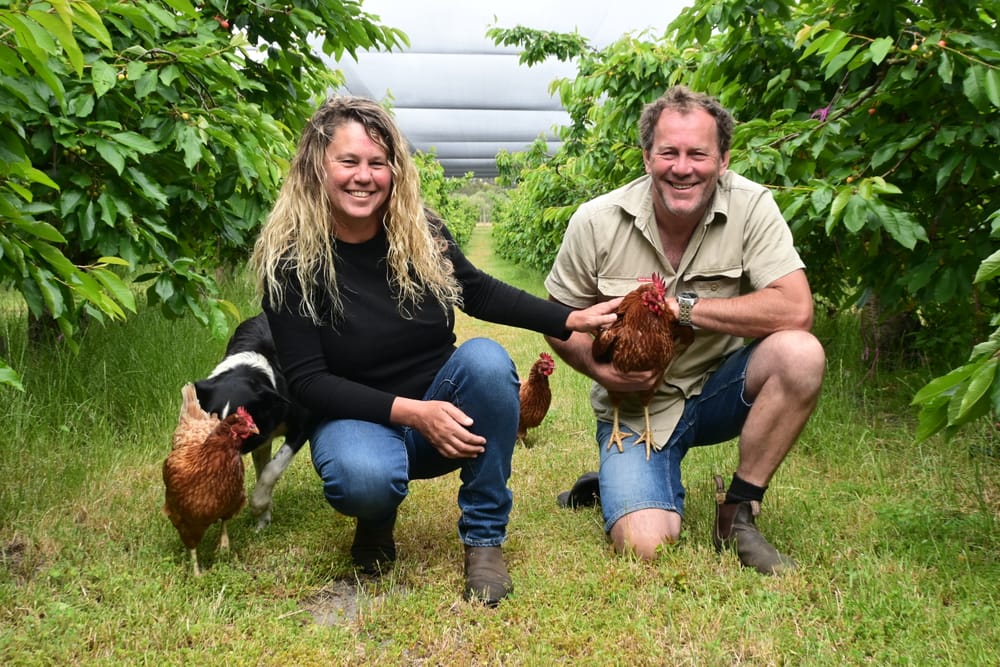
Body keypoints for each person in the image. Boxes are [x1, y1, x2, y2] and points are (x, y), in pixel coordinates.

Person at [251, 96, 619, 606]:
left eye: (378, 163)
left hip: (438, 400)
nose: (364, 176)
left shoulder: (419, 233)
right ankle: (376, 519)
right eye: (349, 161)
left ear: (395, 171)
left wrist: (570, 317)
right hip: (355, 415)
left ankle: (484, 540)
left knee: (489, 362)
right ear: (318, 166)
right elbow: (309, 383)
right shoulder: (290, 263)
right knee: (363, 478)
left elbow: (479, 292)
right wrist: (413, 413)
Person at [544, 85, 825, 574]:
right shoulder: (597, 220)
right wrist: (601, 370)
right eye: (668, 152)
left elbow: (796, 309)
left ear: (723, 159)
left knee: (800, 353)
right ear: (647, 156)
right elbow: (556, 317)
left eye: (699, 153)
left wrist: (683, 308)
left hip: (720, 389)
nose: (683, 167)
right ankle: (624, 482)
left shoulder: (752, 206)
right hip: (635, 407)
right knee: (645, 545)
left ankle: (738, 510)